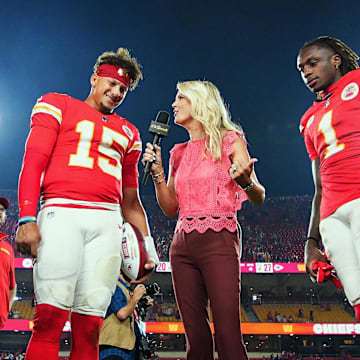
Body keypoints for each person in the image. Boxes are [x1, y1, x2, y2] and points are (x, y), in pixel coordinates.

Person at [15, 48, 159, 360]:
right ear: (94, 78)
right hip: (61, 212)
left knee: (91, 327)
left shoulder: (129, 132)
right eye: (111, 83)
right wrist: (27, 217)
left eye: (123, 89)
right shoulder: (57, 104)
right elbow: (34, 162)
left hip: (107, 223)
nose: (117, 91)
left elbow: (131, 201)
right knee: (49, 320)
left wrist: (148, 247)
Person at [142, 80, 265, 360]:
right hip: (181, 244)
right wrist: (159, 173)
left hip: (219, 239)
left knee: (228, 334)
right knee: (195, 338)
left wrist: (245, 182)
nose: (174, 104)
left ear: (199, 102)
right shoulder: (178, 152)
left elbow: (258, 195)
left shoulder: (231, 140)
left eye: (181, 98)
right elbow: (171, 207)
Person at [297, 36, 360, 320]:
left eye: (313, 63)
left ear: (336, 60)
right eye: (301, 69)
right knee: (356, 296)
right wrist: (311, 243)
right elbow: (318, 185)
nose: (307, 72)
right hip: (331, 217)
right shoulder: (308, 118)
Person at [99, 272, 154, 360]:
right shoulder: (115, 285)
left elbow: (131, 319)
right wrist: (136, 297)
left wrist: (143, 308)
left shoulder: (127, 289)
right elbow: (122, 314)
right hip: (114, 349)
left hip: (127, 350)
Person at [0, 196, 17, 329]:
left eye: (1, 210)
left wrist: (5, 310)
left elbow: (12, 286)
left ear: (5, 217)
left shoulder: (8, 249)